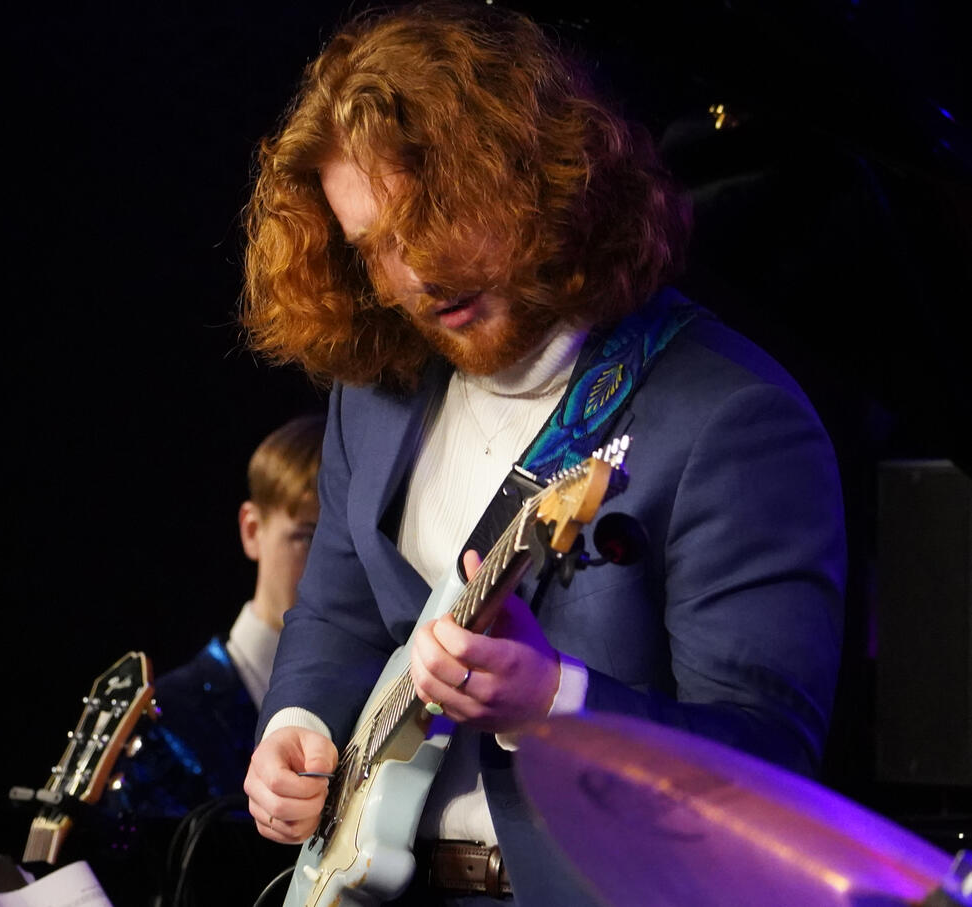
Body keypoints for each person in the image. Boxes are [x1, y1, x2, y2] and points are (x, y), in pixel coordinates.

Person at [239, 4, 845, 904]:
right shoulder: (373, 393)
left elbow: (770, 767)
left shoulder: (732, 420)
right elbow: (336, 616)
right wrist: (294, 725)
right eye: (375, 248)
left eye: (432, 219)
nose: (412, 278)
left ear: (533, 175)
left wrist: (554, 701)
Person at [118, 412, 326, 817]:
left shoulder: (385, 691)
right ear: (252, 530)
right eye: (308, 536)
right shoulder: (164, 720)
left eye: (352, 548)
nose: (333, 569)